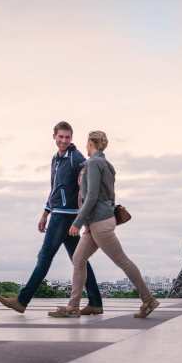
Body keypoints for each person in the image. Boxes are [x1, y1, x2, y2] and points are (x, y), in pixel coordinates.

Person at [48, 130, 159, 318]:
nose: (85, 146)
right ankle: (73, 306)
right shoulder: (108, 165)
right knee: (78, 259)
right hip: (100, 221)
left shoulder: (92, 164)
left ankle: (148, 299)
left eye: (87, 143)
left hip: (98, 223)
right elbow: (110, 195)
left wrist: (78, 222)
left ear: (91, 144)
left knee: (121, 260)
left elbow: (91, 196)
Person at [0, 121, 104, 315]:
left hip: (65, 217)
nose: (64, 140)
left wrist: (85, 217)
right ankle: (96, 302)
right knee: (80, 261)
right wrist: (45, 213)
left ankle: (22, 300)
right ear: (54, 136)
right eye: (61, 137)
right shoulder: (56, 159)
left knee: (44, 258)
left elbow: (88, 183)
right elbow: (54, 189)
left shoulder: (76, 157)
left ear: (71, 138)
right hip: (59, 215)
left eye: (67, 137)